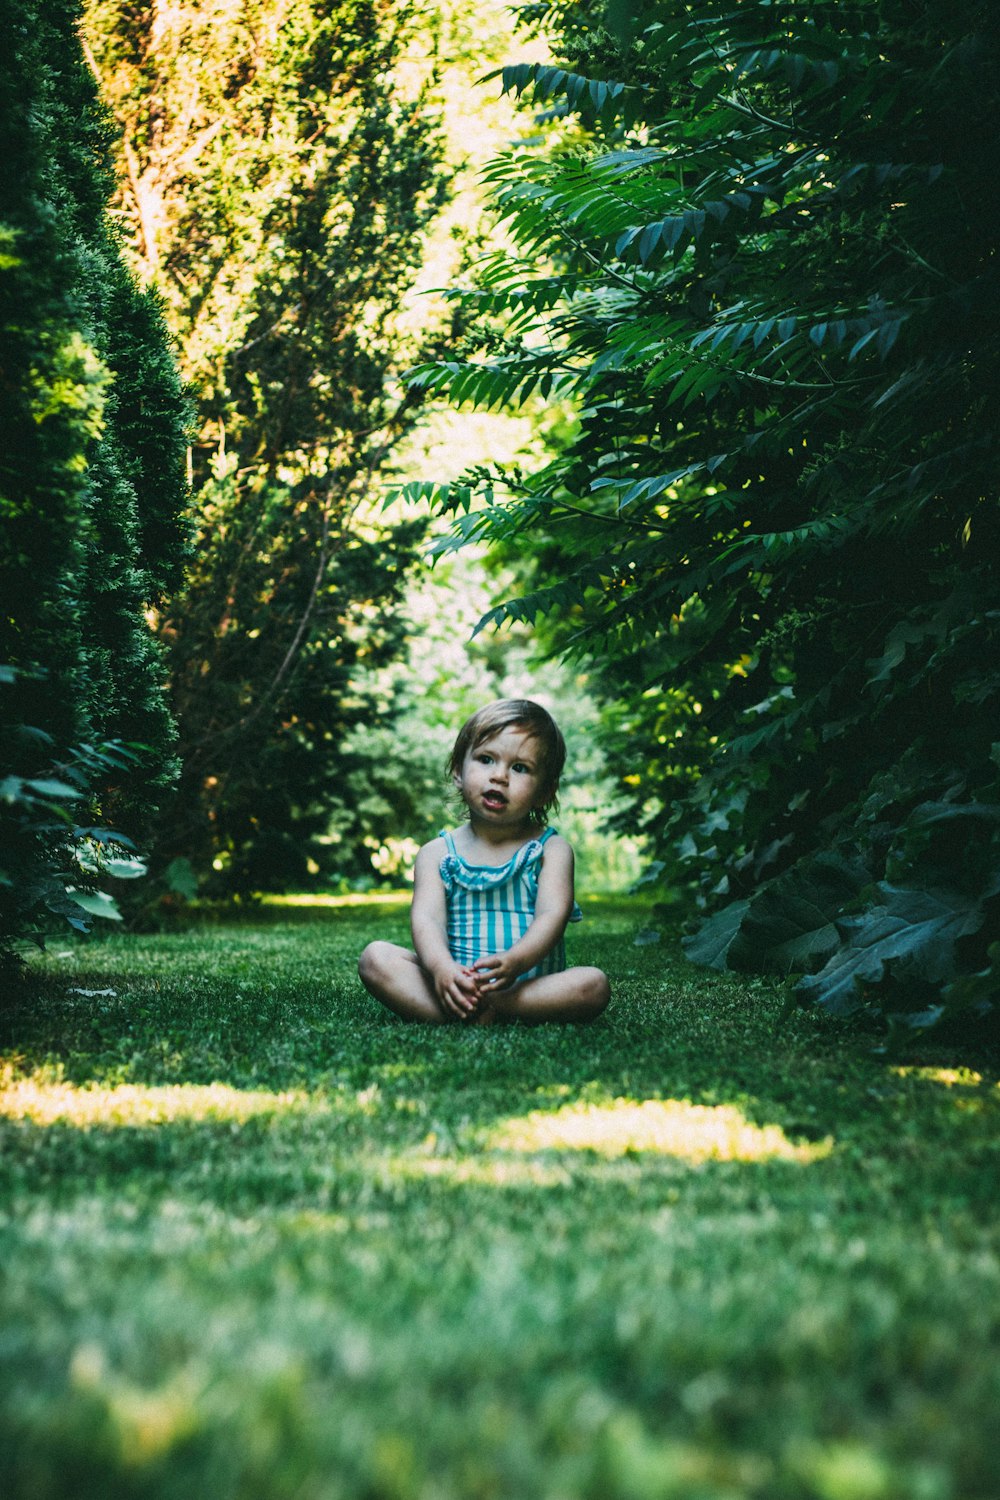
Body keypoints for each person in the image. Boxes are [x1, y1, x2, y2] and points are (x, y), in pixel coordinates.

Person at [358, 699, 611, 1024]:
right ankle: (462, 1002)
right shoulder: (437, 853)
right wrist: (442, 970)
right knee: (375, 958)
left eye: (520, 767)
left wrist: (517, 961)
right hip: (452, 980)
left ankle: (495, 1007)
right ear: (458, 772)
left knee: (593, 985)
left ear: (545, 792)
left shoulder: (552, 850)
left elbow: (552, 915)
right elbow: (427, 921)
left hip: (527, 987)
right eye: (486, 759)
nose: (500, 776)